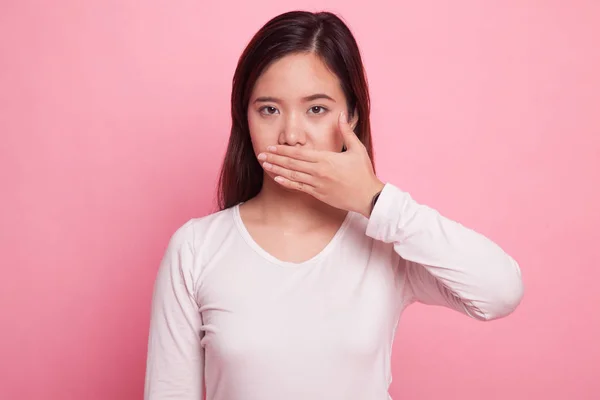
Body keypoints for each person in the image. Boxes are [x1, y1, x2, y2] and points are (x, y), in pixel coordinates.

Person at [143, 10, 524, 400]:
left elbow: (499, 291)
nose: (291, 135)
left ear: (353, 116)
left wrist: (374, 200)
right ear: (245, 117)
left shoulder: (386, 240)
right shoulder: (196, 249)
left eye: (316, 109)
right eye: (269, 109)